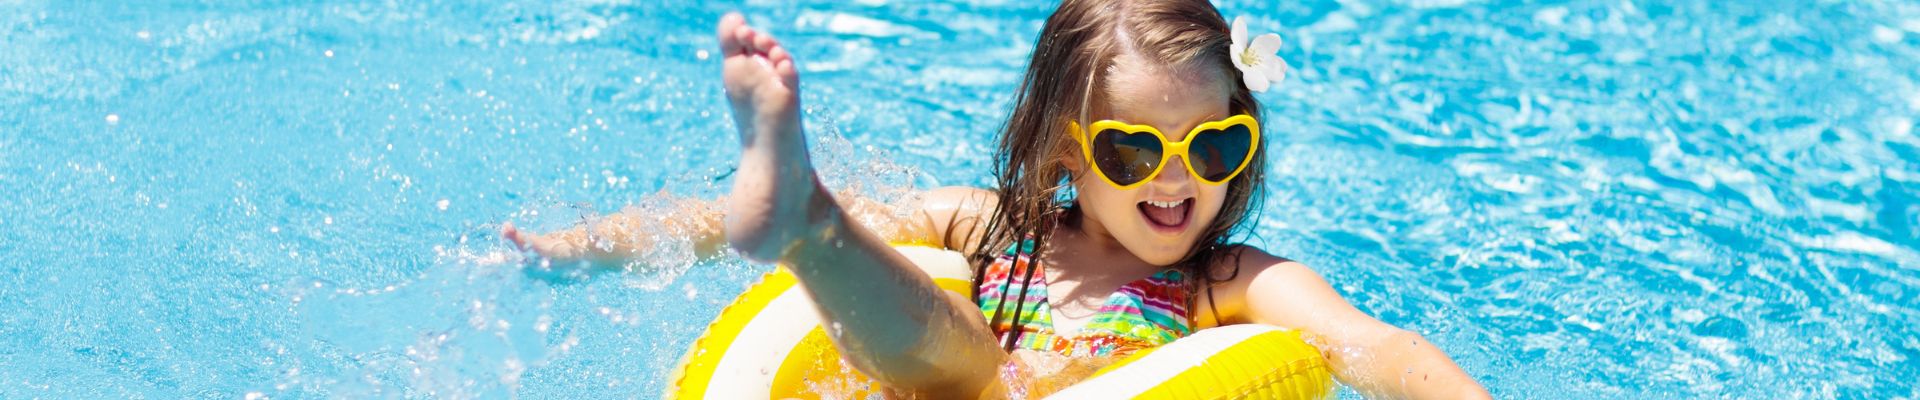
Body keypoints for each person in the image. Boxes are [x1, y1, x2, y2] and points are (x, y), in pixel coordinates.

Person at [504, 1, 1490, 398]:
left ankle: (810, 224)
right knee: (944, 328)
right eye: (1137, 147)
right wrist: (582, 246)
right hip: (929, 373)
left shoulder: (1226, 283)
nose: (1179, 176)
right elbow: (710, 230)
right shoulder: (985, 227)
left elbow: (1371, 345)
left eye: (1216, 143)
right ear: (1070, 148)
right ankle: (809, 223)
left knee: (976, 371)